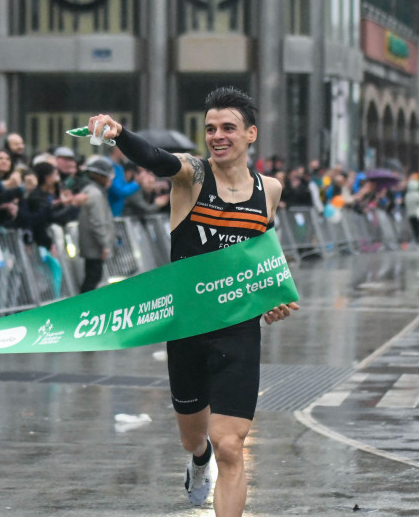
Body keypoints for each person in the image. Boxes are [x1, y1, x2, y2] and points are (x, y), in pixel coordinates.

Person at [88, 86, 298, 516]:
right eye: (210, 129)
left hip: (238, 330)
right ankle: (197, 460)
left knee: (231, 445)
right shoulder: (193, 175)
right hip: (186, 328)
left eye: (228, 128)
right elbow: (157, 159)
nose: (218, 136)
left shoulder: (269, 189)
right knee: (195, 438)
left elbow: (260, 254)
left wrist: (274, 294)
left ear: (251, 134)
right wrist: (118, 135)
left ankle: (215, 465)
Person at [77, 156, 116, 293]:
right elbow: (97, 222)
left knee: (93, 278)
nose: (111, 181)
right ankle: (81, 308)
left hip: (94, 246)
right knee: (92, 279)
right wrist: (104, 245)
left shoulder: (93, 191)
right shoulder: (95, 194)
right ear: (101, 176)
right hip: (95, 247)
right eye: (109, 177)